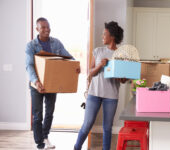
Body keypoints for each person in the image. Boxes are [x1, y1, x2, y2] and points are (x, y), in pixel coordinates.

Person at [25, 17, 80, 150]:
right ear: (37, 29)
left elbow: (67, 57)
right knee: (38, 115)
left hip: (52, 83)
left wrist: (74, 66)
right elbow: (29, 66)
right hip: (36, 85)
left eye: (48, 26)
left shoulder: (56, 43)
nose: (46, 29)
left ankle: (45, 136)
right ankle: (40, 143)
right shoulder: (31, 45)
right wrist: (37, 82)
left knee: (49, 112)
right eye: (43, 27)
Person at [74, 21, 126, 150]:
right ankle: (76, 147)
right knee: (87, 125)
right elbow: (90, 73)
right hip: (94, 94)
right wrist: (100, 65)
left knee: (107, 128)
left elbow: (123, 80)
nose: (102, 36)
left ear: (112, 37)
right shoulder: (98, 51)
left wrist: (116, 72)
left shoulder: (121, 55)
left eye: (105, 34)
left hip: (111, 96)